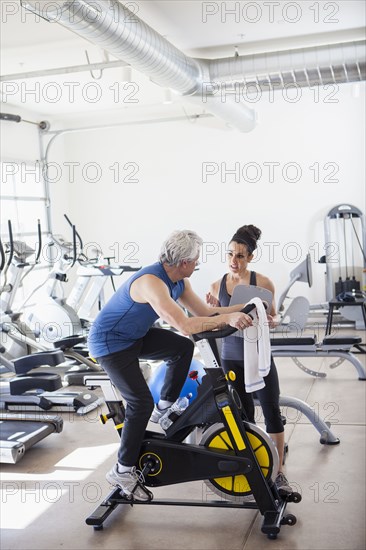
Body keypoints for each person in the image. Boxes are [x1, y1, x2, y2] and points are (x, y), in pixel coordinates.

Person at [88, 229, 253, 501]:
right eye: (196, 260)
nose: (198, 264)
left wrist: (243, 309)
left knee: (181, 349)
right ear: (184, 262)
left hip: (135, 336)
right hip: (110, 343)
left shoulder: (180, 281)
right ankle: (122, 469)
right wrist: (229, 319)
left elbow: (206, 314)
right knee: (140, 403)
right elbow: (187, 325)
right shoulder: (152, 282)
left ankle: (164, 408)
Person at [206, 224, 292, 496]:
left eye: (240, 256)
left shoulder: (263, 283)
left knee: (271, 411)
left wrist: (271, 320)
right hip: (230, 358)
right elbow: (211, 323)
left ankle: (279, 472)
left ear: (251, 257)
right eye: (230, 254)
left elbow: (275, 318)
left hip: (259, 357)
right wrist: (210, 311)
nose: (234, 261)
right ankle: (253, 464)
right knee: (243, 415)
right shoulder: (215, 285)